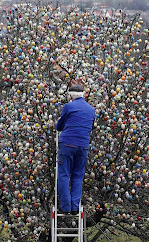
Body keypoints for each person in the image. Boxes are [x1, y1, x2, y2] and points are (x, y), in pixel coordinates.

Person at [56, 84, 95, 215]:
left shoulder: (69, 107)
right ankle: (74, 208)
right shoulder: (91, 109)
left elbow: (59, 126)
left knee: (63, 174)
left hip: (67, 144)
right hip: (83, 145)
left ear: (71, 96)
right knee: (78, 176)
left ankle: (66, 207)